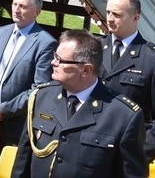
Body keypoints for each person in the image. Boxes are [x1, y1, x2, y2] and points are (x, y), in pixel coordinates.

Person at [11, 30, 148, 178]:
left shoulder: (123, 116)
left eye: (60, 60)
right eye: (54, 56)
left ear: (86, 70)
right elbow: (22, 163)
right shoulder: (42, 96)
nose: (53, 62)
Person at [0, 0, 57, 174]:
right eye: (15, 4)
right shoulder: (2, 32)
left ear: (37, 12)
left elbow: (38, 89)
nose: (16, 9)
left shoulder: (45, 43)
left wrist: (4, 109)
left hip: (16, 127)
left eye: (23, 6)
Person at [100, 0, 155, 162]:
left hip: (124, 157)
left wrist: (138, 153)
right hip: (89, 152)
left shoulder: (154, 60)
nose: (110, 18)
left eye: (117, 14)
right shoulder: (94, 50)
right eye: (108, 12)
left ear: (135, 18)